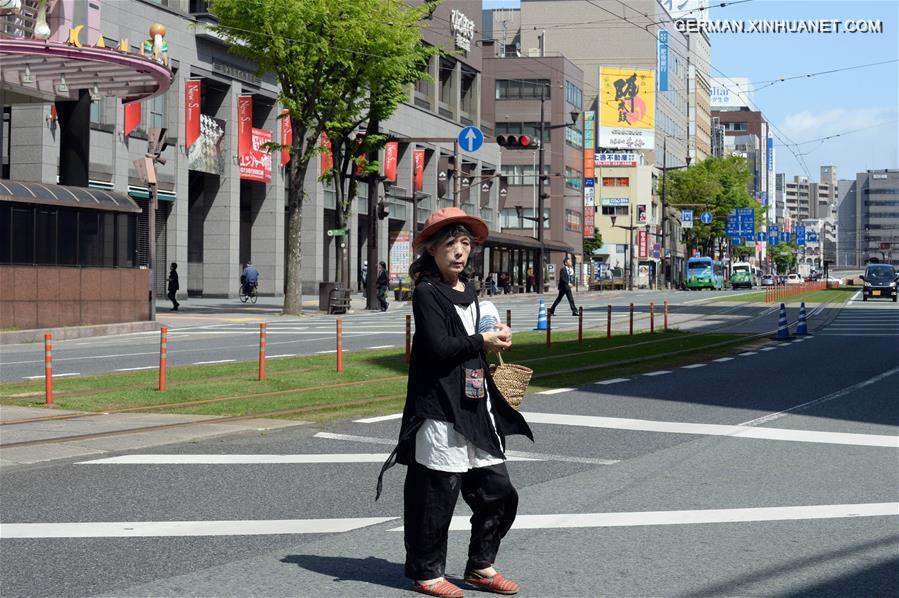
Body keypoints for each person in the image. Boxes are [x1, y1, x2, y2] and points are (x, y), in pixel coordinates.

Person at [376, 207, 533, 598]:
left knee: (499, 491)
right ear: (431, 250)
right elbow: (439, 347)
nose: (459, 252)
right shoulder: (427, 292)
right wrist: (481, 342)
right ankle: (427, 572)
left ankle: (481, 566)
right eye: (450, 244)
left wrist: (500, 334)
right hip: (439, 408)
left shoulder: (472, 289)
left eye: (465, 244)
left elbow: (483, 330)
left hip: (475, 402)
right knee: (436, 495)